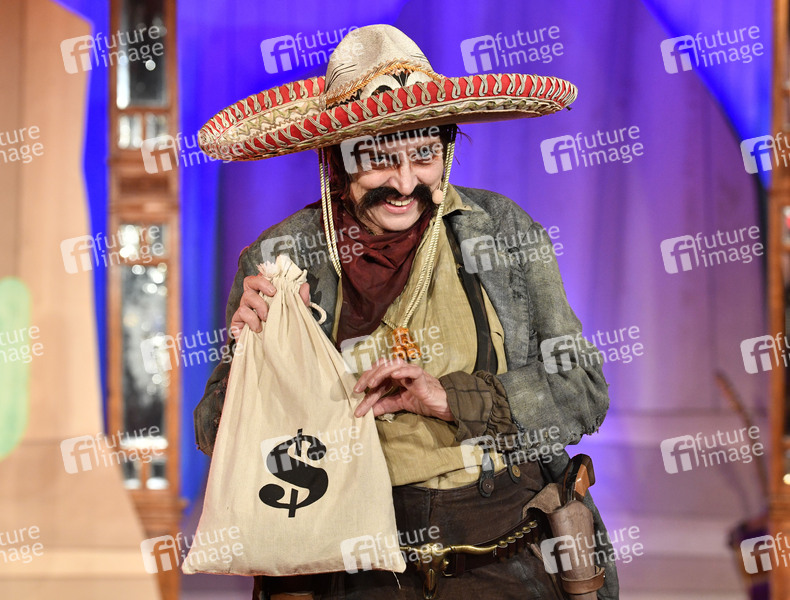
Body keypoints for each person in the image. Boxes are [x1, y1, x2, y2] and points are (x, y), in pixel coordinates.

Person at [194, 24, 618, 600]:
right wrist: (253, 357)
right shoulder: (282, 258)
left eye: (424, 154)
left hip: (501, 556)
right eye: (378, 159)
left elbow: (582, 390)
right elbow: (215, 431)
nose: (404, 183)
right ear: (336, 160)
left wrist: (449, 398)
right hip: (350, 564)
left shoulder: (503, 233)